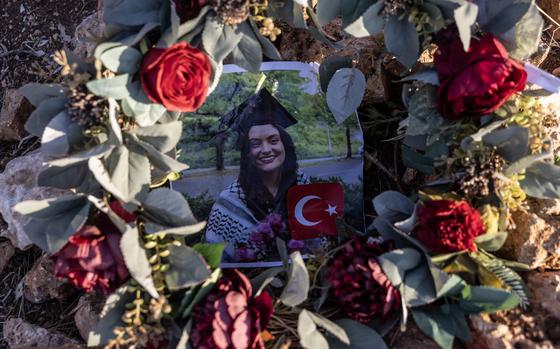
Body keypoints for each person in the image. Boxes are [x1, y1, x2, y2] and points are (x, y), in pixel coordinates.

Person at [204, 88, 309, 259]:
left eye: (273, 140)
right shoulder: (228, 203)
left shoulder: (304, 184)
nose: (266, 149)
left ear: (285, 145)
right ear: (247, 152)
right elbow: (216, 261)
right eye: (255, 144)